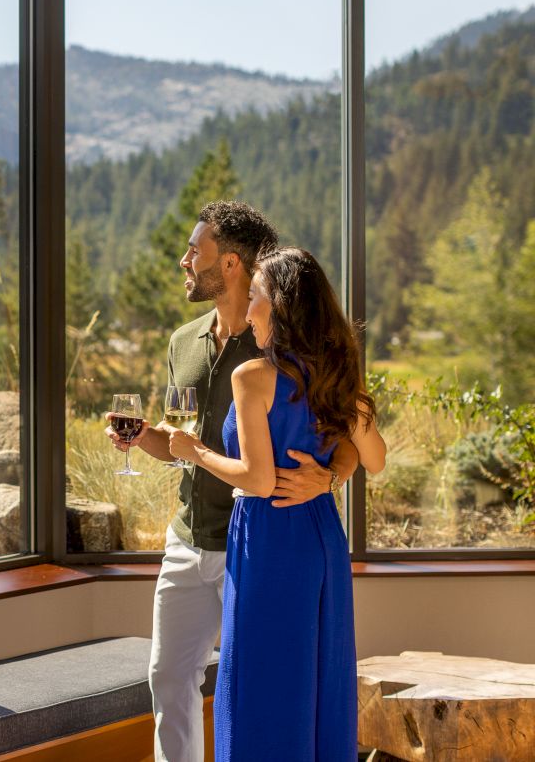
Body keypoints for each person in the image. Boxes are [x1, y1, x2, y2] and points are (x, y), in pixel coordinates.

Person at [106, 201, 360, 762]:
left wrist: (329, 480)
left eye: (195, 251)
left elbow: (344, 437)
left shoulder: (276, 345)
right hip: (188, 536)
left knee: (256, 682)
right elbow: (185, 444)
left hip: (249, 544)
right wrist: (145, 437)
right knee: (168, 679)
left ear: (230, 265)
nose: (183, 261)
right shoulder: (183, 342)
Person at [167, 246, 387, 761]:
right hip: (320, 540)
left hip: (266, 539)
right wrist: (330, 475)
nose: (248, 310)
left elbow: (259, 481)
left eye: (258, 297)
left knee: (256, 678)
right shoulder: (335, 378)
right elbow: (372, 457)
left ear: (282, 306)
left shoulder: (252, 376)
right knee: (317, 675)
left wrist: (194, 451)